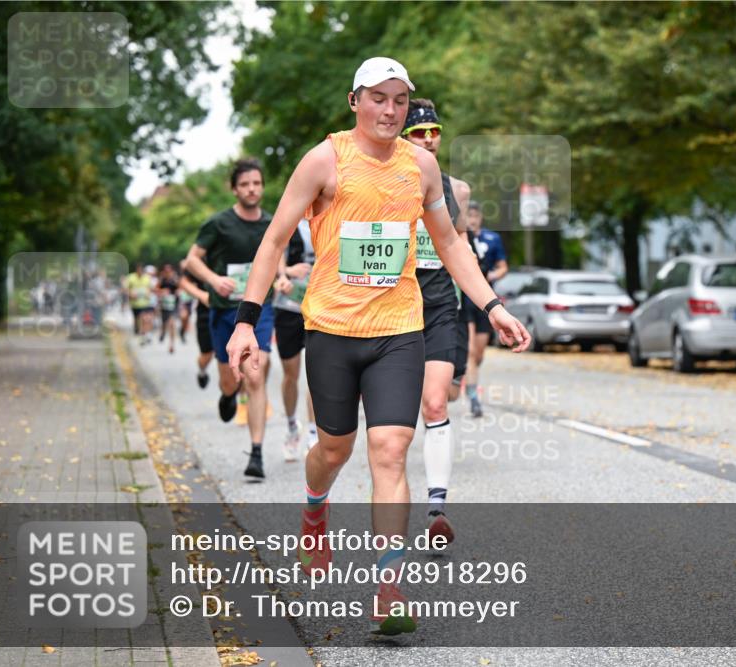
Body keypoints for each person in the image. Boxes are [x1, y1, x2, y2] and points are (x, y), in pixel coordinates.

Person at [225, 57, 530, 636]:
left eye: (398, 100)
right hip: (334, 332)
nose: (390, 110)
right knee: (334, 450)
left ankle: (388, 587)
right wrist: (246, 322)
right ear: (355, 101)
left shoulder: (422, 169)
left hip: (398, 331)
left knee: (389, 450)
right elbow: (273, 240)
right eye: (378, 99)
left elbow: (451, 244)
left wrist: (494, 306)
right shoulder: (325, 160)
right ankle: (315, 507)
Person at [401, 98, 470, 544]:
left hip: (443, 303)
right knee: (396, 424)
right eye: (418, 132)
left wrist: (485, 304)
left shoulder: (456, 189)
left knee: (436, 404)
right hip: (396, 306)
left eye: (434, 131)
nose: (428, 138)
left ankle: (437, 510)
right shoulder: (387, 182)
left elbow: (459, 244)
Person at [185, 158, 276, 479]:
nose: (252, 189)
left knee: (255, 373)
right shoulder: (218, 224)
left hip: (260, 310)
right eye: (245, 184)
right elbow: (191, 261)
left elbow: (275, 261)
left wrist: (280, 278)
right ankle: (226, 394)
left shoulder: (271, 223)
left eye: (256, 183)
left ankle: (256, 453)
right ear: (234, 189)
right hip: (224, 310)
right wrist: (213, 279)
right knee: (231, 379)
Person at [272, 218, 318, 461]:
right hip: (289, 305)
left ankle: (313, 434)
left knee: (316, 372)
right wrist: (286, 272)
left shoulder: (332, 213)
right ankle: (292, 427)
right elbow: (275, 247)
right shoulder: (291, 218)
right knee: (291, 374)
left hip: (320, 307)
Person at [462, 202, 508, 417]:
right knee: (470, 351)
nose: (472, 219)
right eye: (468, 215)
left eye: (475, 215)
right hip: (465, 298)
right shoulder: (458, 237)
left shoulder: (492, 239)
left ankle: (468, 375)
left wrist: (492, 276)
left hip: (486, 299)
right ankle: (473, 399)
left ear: (480, 217)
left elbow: (502, 267)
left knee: (478, 354)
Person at [178, 267, 213, 388]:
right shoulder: (201, 255)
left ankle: (241, 399)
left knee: (238, 356)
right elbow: (183, 281)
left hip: (234, 312)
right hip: (206, 314)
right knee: (207, 355)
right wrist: (202, 295)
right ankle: (202, 371)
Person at [126, 263, 155, 344]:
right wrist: (130, 294)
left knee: (144, 318)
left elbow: (151, 289)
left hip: (145, 303)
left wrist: (148, 293)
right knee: (137, 319)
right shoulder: (131, 277)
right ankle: (139, 331)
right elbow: (125, 289)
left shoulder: (147, 278)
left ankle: (145, 334)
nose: (140, 272)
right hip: (135, 304)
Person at [157, 263, 179, 354]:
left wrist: (178, 292)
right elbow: (155, 289)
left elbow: (180, 288)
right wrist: (162, 292)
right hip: (164, 305)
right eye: (166, 271)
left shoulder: (175, 280)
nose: (168, 272)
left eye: (169, 271)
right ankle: (162, 332)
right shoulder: (162, 280)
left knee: (172, 324)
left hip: (173, 305)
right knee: (164, 323)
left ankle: (171, 345)